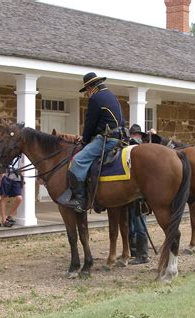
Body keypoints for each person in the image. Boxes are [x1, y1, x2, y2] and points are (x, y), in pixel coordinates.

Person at [66, 72, 127, 213]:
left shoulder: (95, 98)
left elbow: (90, 124)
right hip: (120, 137)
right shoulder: (111, 95)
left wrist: (85, 140)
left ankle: (80, 201)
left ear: (90, 87)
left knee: (78, 161)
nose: (87, 93)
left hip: (107, 139)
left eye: (86, 90)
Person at [128, 124, 149, 265]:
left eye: (138, 135)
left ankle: (143, 255)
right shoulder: (128, 150)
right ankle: (134, 252)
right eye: (134, 135)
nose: (136, 137)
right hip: (130, 193)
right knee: (131, 225)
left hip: (140, 195)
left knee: (140, 225)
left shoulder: (144, 153)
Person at [0, 156, 23, 227]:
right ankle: (3, 219)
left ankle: (9, 215)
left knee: (19, 198)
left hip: (17, 178)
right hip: (7, 176)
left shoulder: (22, 155)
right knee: (4, 197)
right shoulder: (9, 151)